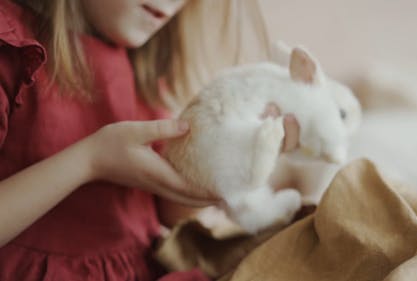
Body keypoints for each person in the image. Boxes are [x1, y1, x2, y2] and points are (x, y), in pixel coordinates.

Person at [0, 0, 300, 280]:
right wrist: (91, 160)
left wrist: (228, 161)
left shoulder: (142, 67)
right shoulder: (12, 46)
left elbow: (167, 214)